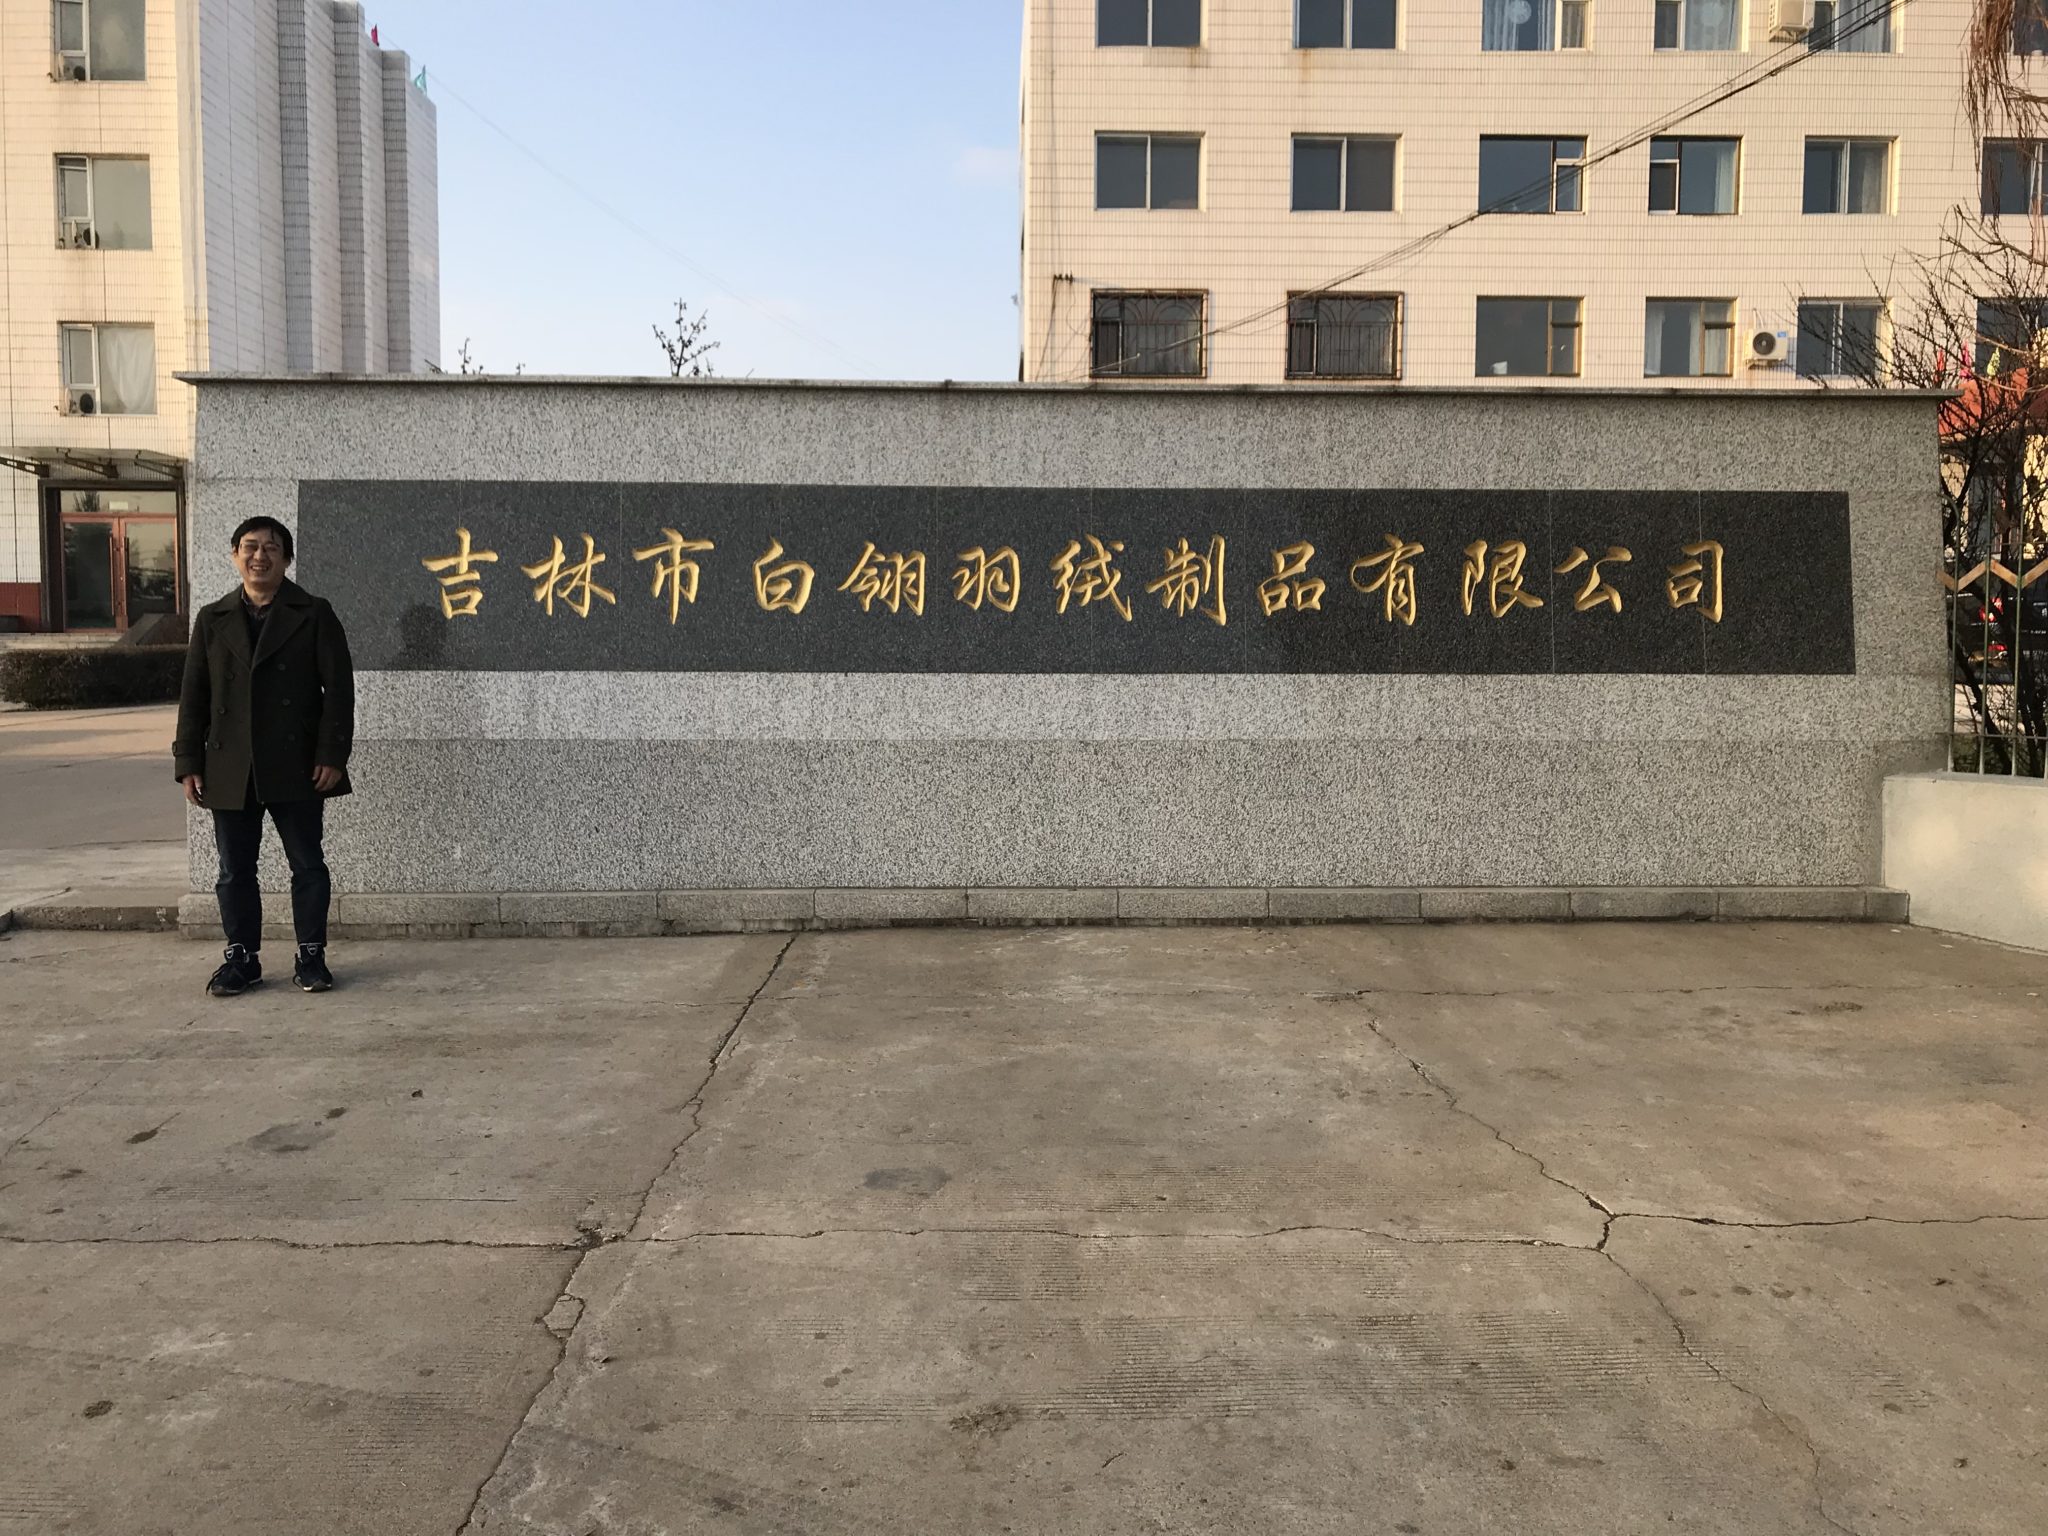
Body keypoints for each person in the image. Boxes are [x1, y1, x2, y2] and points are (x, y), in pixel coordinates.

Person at [173, 516, 354, 996]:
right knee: (234, 869)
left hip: (297, 762)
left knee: (307, 863)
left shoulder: (314, 613)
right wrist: (188, 762)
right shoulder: (212, 619)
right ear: (235, 555)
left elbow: (339, 691)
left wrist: (332, 753)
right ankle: (242, 958)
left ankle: (311, 955)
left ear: (287, 559)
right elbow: (194, 695)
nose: (260, 556)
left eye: (271, 548)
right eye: (250, 547)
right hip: (230, 764)